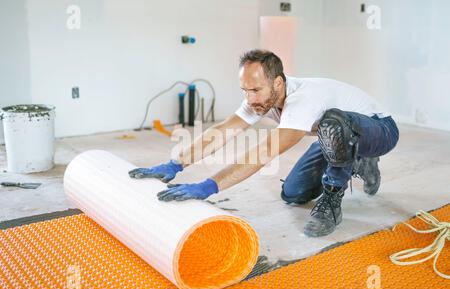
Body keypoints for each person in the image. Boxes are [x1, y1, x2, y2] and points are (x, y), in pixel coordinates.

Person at [129, 49, 399, 237]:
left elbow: (263, 152)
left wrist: (209, 186)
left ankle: (335, 197)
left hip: (379, 131)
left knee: (332, 124)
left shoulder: (304, 98)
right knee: (292, 194)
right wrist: (175, 164)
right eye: (245, 90)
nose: (250, 99)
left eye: (255, 90)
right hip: (336, 138)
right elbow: (224, 130)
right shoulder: (260, 99)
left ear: (278, 83)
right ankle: (356, 159)